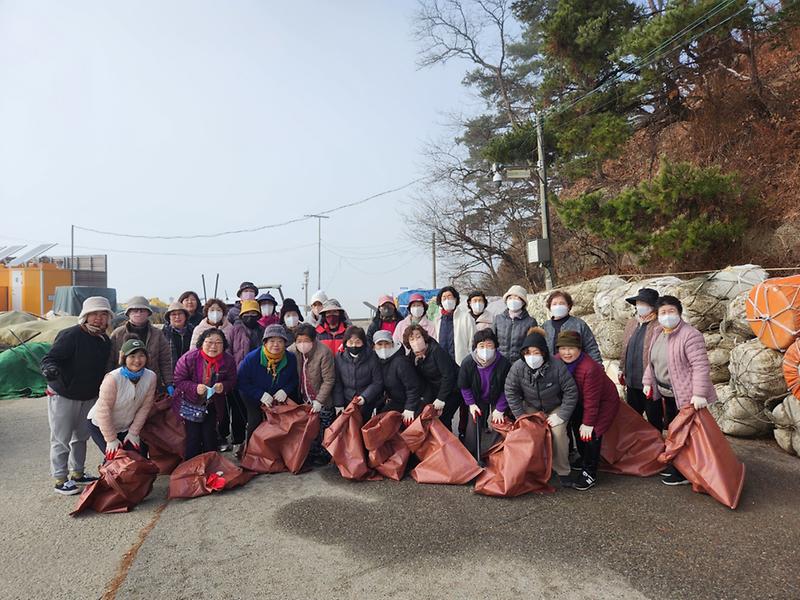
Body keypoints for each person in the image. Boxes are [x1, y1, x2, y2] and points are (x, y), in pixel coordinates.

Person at [40, 296, 113, 495]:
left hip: (88, 395)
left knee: (81, 436)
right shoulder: (70, 335)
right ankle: (60, 478)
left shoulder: (104, 340)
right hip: (63, 393)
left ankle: (78, 473)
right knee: (60, 437)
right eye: (94, 314)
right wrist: (50, 369)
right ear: (85, 316)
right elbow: (50, 358)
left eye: (103, 314)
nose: (99, 318)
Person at [642, 295, 718, 486]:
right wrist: (648, 382)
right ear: (657, 315)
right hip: (666, 393)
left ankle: (686, 472)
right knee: (674, 432)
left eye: (671, 311)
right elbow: (652, 362)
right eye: (663, 313)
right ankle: (677, 465)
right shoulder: (659, 333)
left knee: (686, 436)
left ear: (679, 312)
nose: (667, 316)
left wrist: (699, 393)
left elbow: (700, 365)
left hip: (686, 395)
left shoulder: (690, 335)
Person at [504, 328, 578, 488]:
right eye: (528, 353)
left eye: (536, 352)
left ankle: (563, 470)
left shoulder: (557, 366)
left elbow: (571, 391)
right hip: (531, 407)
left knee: (558, 433)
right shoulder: (518, 367)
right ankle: (535, 469)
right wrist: (521, 416)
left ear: (544, 353)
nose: (532, 357)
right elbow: (511, 391)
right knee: (530, 433)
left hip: (555, 406)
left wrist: (562, 415)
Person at [554, 331, 620, 491]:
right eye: (562, 348)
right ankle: (584, 458)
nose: (566, 353)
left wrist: (589, 423)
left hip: (603, 402)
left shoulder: (589, 368)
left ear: (580, 349)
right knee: (578, 429)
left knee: (591, 434)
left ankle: (590, 471)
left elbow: (593, 399)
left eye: (571, 348)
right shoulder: (556, 361)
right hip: (578, 400)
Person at [87, 337, 156, 463]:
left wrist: (133, 432)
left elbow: (145, 407)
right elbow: (104, 410)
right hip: (101, 424)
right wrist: (111, 439)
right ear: (124, 358)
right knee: (115, 459)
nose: (137, 360)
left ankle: (136, 483)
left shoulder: (150, 377)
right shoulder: (113, 378)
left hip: (125, 426)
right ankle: (107, 482)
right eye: (132, 356)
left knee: (135, 459)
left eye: (141, 356)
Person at [174, 328, 238, 459]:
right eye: (209, 342)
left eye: (218, 342)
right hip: (190, 403)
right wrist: (194, 387)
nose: (213, 346)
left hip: (213, 404)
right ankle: (192, 468)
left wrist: (224, 386)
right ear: (202, 343)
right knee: (193, 438)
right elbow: (178, 380)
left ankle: (210, 466)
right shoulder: (189, 358)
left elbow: (232, 380)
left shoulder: (228, 360)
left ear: (224, 345)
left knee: (210, 437)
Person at [237, 324, 299, 441]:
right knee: (255, 420)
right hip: (252, 394)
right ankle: (251, 451)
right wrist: (260, 394)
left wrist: (285, 391)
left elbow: (294, 379)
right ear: (265, 343)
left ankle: (273, 451)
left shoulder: (290, 358)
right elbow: (241, 382)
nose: (276, 344)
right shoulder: (252, 358)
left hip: (277, 395)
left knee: (279, 422)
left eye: (280, 341)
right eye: (272, 341)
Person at [458, 328, 511, 458]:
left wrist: (500, 408)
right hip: (477, 398)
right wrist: (471, 404)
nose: (485, 349)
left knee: (500, 422)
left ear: (495, 346)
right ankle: (471, 455)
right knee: (474, 422)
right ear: (475, 347)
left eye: (489, 345)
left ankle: (495, 453)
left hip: (497, 396)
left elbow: (508, 388)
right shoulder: (468, 362)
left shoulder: (504, 363)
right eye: (481, 346)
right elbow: (464, 386)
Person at [290, 323, 336, 465]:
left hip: (322, 399)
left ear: (313, 340)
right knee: (308, 429)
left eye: (306, 341)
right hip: (304, 398)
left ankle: (324, 455)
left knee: (324, 426)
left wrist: (319, 400)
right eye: (299, 341)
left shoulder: (324, 352)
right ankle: (310, 454)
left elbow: (329, 379)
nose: (302, 344)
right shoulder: (292, 351)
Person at [109, 296, 174, 395]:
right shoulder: (117, 334)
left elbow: (165, 360)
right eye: (134, 310)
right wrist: (109, 380)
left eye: (142, 310)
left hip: (150, 385)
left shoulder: (157, 334)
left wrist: (168, 383)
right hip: (122, 384)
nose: (138, 313)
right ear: (128, 313)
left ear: (148, 313)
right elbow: (110, 360)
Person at [404, 324, 460, 431]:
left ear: (424, 337)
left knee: (444, 417)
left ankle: (449, 444)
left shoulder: (436, 351)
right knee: (427, 414)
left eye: (418, 336)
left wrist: (441, 398)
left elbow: (448, 375)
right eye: (412, 339)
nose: (416, 341)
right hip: (435, 388)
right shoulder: (412, 357)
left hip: (454, 388)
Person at [619, 288, 661, 428]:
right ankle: (638, 447)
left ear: (653, 306)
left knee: (654, 418)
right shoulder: (632, 323)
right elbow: (625, 346)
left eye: (644, 303)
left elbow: (660, 355)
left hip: (650, 383)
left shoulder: (659, 325)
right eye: (638, 303)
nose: (640, 306)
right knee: (633, 419)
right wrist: (621, 368)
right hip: (631, 380)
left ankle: (657, 446)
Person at [225, 299, 263, 453]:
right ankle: (238, 440)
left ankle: (256, 443)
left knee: (256, 411)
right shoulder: (234, 330)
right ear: (241, 315)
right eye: (247, 313)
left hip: (258, 377)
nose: (250, 316)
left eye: (254, 313)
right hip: (238, 375)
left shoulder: (263, 330)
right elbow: (228, 352)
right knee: (237, 411)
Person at [333, 326, 384, 421]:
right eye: (350, 342)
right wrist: (338, 404)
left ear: (363, 343)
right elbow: (338, 382)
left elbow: (377, 382)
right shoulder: (339, 358)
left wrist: (365, 397)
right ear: (345, 343)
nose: (354, 345)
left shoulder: (372, 357)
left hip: (367, 401)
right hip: (347, 400)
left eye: (357, 342)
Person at [373, 330, 421, 424]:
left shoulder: (401, 362)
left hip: (410, 402)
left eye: (387, 343)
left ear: (392, 344)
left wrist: (409, 408)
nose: (383, 348)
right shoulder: (377, 361)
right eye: (380, 344)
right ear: (374, 347)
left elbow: (413, 387)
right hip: (395, 400)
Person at [542, 290, 602, 364]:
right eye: (554, 304)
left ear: (569, 306)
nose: (558, 306)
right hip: (552, 370)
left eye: (562, 303)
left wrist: (598, 368)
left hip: (576, 369)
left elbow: (591, 348)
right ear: (550, 307)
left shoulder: (579, 324)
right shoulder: (545, 326)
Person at [433, 286, 476, 366]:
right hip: (442, 365)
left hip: (462, 363)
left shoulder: (466, 317)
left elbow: (472, 341)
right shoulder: (437, 320)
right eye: (444, 298)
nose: (447, 300)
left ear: (455, 299)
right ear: (441, 302)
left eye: (450, 297)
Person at [493, 285, 537, 362]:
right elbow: (493, 341)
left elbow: (532, 345)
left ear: (523, 302)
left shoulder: (531, 322)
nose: (513, 300)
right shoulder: (498, 319)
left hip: (520, 363)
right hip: (499, 362)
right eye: (510, 298)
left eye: (517, 298)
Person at [162, 301, 195, 370]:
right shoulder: (163, 333)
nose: (177, 317)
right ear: (169, 318)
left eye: (180, 314)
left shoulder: (193, 331)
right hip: (169, 371)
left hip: (190, 370)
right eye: (174, 314)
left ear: (185, 316)